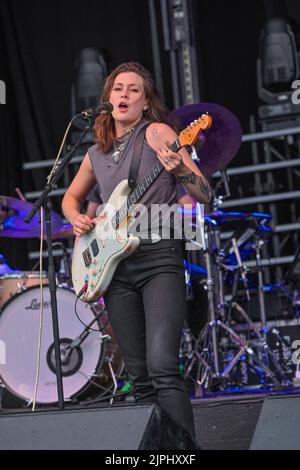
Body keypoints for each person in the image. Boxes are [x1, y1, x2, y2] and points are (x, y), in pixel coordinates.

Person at [62, 62, 211, 439]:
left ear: (146, 103)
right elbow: (69, 199)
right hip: (115, 270)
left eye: (133, 90)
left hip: (159, 258)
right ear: (108, 98)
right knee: (139, 376)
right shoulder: (97, 151)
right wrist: (77, 218)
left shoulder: (159, 132)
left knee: (162, 366)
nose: (124, 95)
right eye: (118, 89)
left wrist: (180, 171)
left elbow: (204, 193)